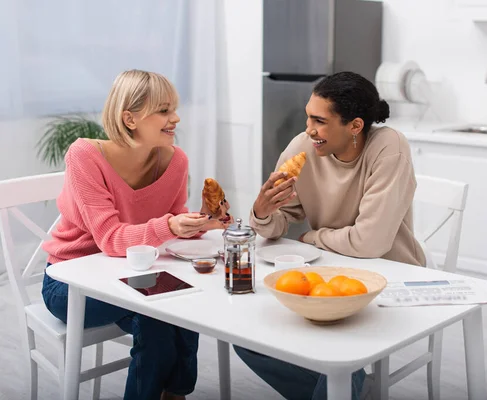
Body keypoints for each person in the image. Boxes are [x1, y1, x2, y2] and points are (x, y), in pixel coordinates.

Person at [234, 71, 426, 399]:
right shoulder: (303, 148)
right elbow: (280, 222)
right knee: (247, 339)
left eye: (319, 121)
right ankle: (348, 391)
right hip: (327, 272)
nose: (309, 129)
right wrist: (262, 212)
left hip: (389, 273)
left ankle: (342, 387)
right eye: (308, 117)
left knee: (334, 349)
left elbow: (371, 243)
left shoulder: (388, 146)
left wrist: (313, 238)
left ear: (355, 126)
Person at [41, 70, 229, 400]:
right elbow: (111, 238)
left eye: (174, 109)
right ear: (130, 118)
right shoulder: (85, 155)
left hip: (133, 273)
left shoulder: (176, 160)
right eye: (164, 110)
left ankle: (175, 393)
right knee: (156, 315)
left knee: (186, 298)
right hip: (70, 283)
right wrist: (171, 226)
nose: (176, 118)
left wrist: (201, 222)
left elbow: (169, 226)